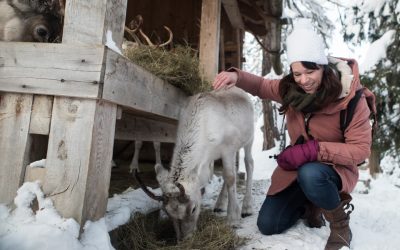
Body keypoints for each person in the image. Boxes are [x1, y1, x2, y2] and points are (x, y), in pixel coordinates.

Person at [212, 19, 375, 250]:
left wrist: (314, 150)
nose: (304, 80)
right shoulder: (291, 90)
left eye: (310, 71)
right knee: (268, 224)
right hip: (297, 170)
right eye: (297, 73)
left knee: (311, 173)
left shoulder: (351, 99)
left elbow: (360, 150)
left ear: (322, 67)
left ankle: (340, 226)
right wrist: (236, 76)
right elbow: (261, 86)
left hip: (332, 171)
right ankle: (312, 204)